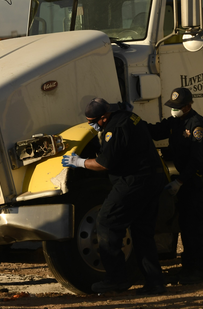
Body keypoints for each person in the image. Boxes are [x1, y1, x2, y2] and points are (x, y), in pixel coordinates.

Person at [62, 98, 166, 295]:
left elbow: (103, 164)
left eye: (93, 121)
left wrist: (79, 162)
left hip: (134, 180)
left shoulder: (114, 129)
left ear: (104, 117)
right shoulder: (129, 117)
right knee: (142, 231)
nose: (91, 125)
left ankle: (115, 279)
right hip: (152, 178)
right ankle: (155, 282)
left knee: (107, 222)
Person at [147, 87, 203, 284]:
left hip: (196, 182)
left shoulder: (196, 124)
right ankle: (188, 268)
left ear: (187, 106)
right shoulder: (175, 122)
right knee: (185, 225)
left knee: (195, 227)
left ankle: (199, 270)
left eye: (177, 107)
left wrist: (179, 181)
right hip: (185, 183)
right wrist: (133, 121)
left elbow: (197, 159)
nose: (173, 110)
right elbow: (156, 132)